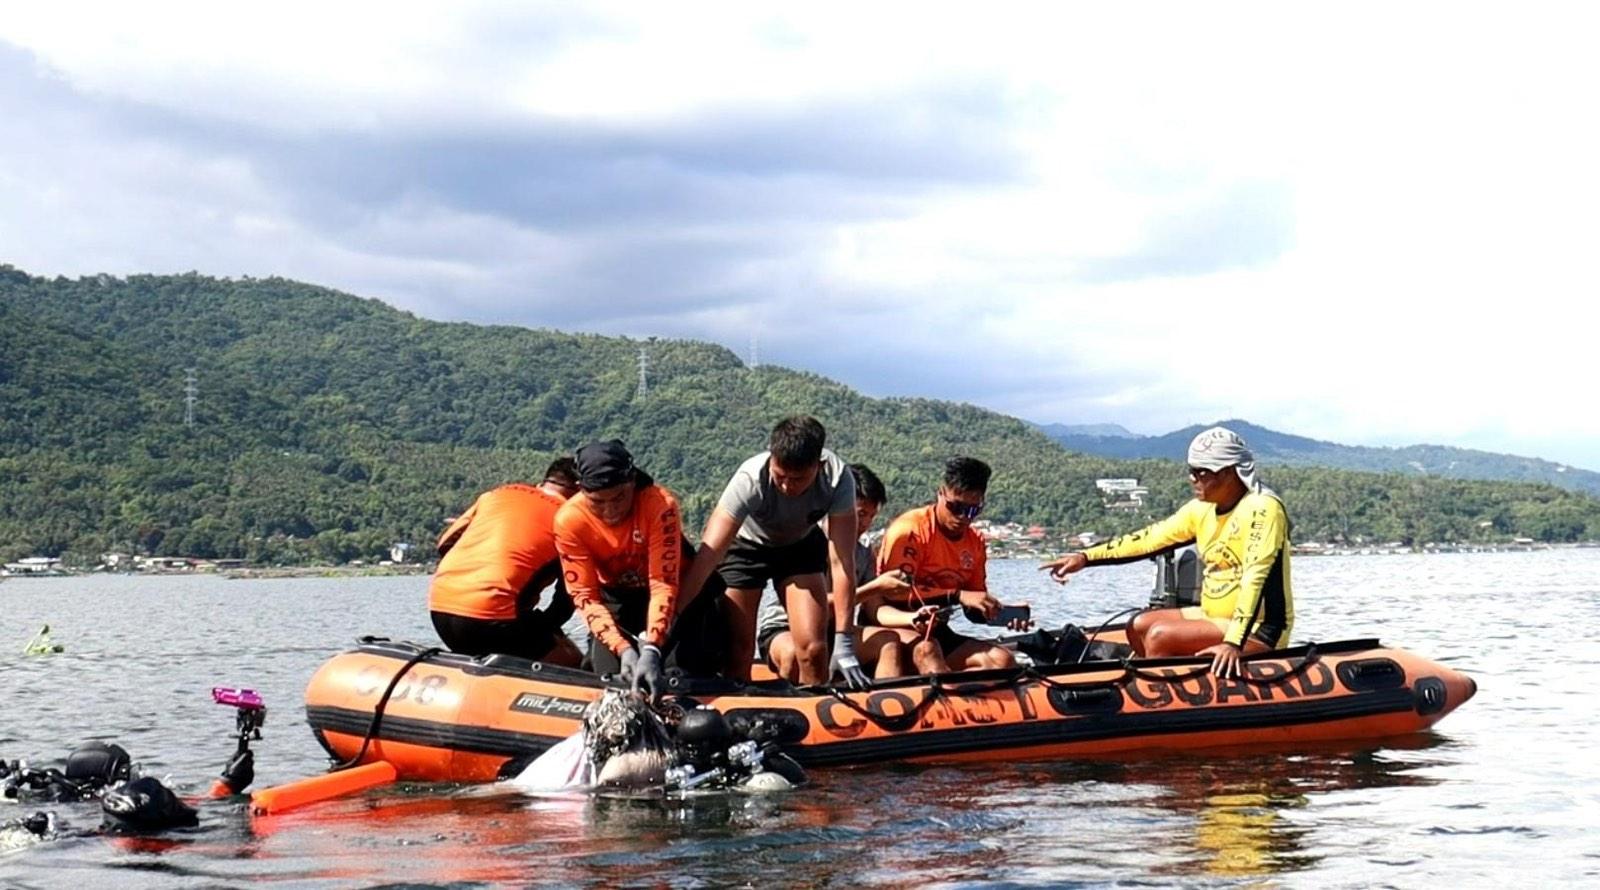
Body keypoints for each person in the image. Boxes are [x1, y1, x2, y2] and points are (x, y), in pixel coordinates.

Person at [1040, 426, 1294, 678]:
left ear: (1228, 472)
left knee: (1160, 635)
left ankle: (1160, 687)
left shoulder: (1263, 508)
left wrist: (1233, 643)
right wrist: (1085, 557)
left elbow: (1255, 579)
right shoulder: (1201, 509)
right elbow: (1149, 539)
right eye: (1190, 471)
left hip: (1259, 629)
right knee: (1139, 625)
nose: (1192, 479)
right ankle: (1163, 681)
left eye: (1200, 472)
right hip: (1213, 615)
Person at [679, 416, 867, 688]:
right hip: (746, 548)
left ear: (819, 466)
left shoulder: (837, 479)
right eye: (780, 476)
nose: (787, 486)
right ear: (771, 458)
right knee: (738, 652)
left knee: (814, 650)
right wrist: (673, 617)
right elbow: (707, 557)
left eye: (798, 479)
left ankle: (816, 704)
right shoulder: (749, 479)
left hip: (799, 547)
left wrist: (844, 641)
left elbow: (842, 563)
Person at [553, 440, 725, 699]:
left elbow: (662, 583)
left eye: (619, 498)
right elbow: (585, 596)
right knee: (610, 677)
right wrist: (622, 648)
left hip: (680, 596)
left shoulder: (658, 504)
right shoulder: (569, 520)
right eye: (597, 502)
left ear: (632, 482)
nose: (610, 511)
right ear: (581, 489)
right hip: (618, 599)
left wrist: (652, 647)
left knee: (678, 674)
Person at [867, 457, 1027, 673]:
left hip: (935, 628)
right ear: (941, 493)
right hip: (892, 622)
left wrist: (1000, 613)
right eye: (955, 507)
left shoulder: (975, 542)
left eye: (972, 511)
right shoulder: (910, 531)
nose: (962, 517)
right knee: (928, 651)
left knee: (1001, 661)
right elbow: (895, 593)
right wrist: (957, 596)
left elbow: (973, 606)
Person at [761, 464, 915, 682]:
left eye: (872, 516)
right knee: (795, 654)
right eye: (861, 514)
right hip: (785, 627)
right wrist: (875, 587)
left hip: (835, 630)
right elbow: (813, 606)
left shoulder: (863, 553)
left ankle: (884, 700)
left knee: (888, 641)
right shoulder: (805, 543)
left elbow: (875, 609)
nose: (865, 523)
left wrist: (912, 618)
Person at [428, 458, 583, 666]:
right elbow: (568, 597)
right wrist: (547, 627)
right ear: (580, 491)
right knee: (573, 662)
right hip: (491, 617)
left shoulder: (495, 495)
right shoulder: (570, 518)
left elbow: (445, 544)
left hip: (440, 608)